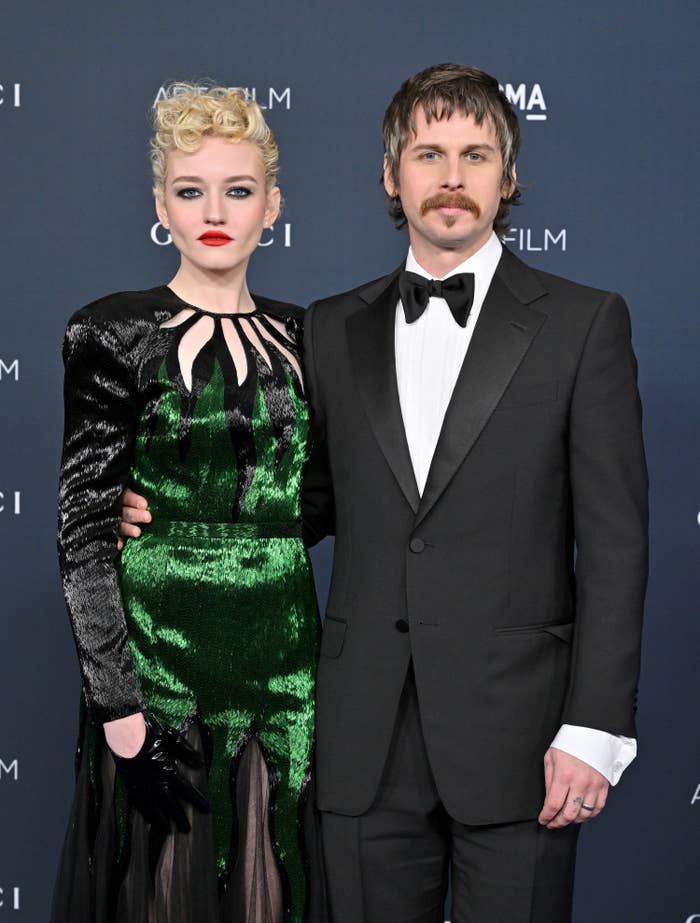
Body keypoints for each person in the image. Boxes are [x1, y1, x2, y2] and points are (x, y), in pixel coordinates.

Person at [122, 64, 648, 921]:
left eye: (476, 155)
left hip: (521, 735)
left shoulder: (585, 323)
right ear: (390, 176)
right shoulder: (329, 327)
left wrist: (594, 729)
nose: (451, 177)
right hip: (363, 735)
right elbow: (305, 502)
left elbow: (618, 546)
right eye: (428, 153)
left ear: (507, 176)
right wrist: (158, 513)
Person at [53, 83, 326, 923]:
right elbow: (82, 535)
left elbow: (330, 496)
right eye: (190, 189)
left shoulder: (315, 336)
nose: (214, 211)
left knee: (273, 880)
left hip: (284, 664)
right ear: (160, 203)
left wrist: (242, 526)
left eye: (237, 190)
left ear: (272, 204)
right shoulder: (111, 331)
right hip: (157, 669)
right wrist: (119, 709)